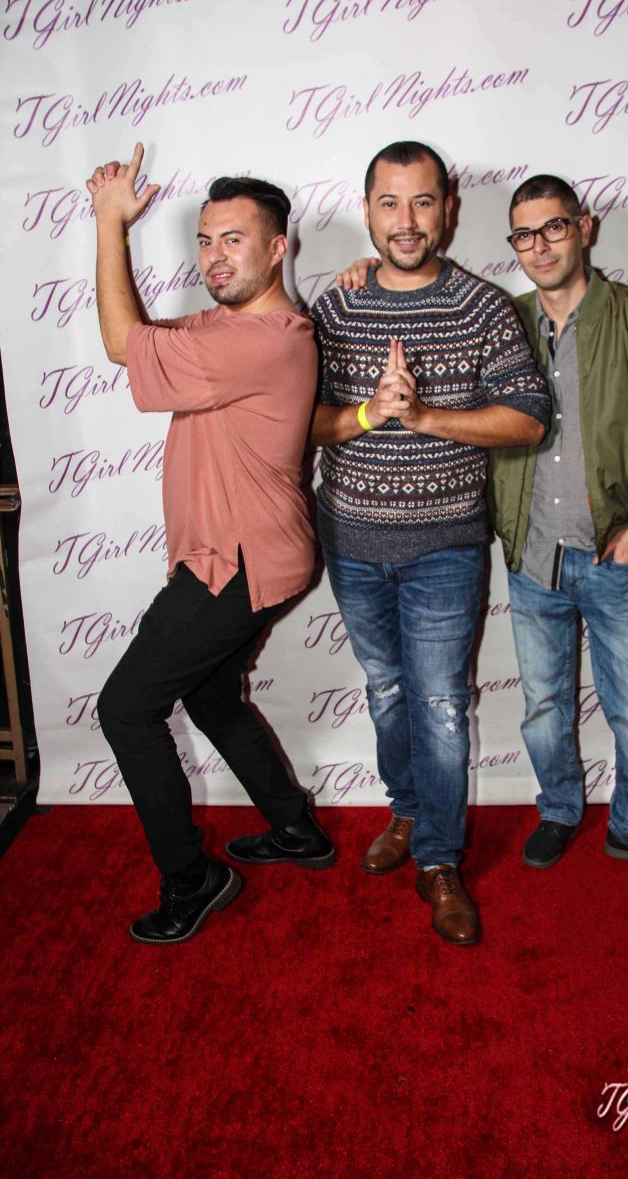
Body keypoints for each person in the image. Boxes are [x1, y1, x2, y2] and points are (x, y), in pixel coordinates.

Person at [87, 143, 334, 946]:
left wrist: (110, 224)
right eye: (204, 240)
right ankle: (296, 829)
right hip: (250, 553)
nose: (214, 256)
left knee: (126, 709)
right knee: (213, 697)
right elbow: (141, 335)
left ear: (277, 247)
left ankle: (193, 880)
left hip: (236, 562)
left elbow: (121, 345)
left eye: (234, 239)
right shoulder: (228, 325)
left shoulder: (264, 338)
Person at [310, 141, 550, 945]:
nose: (405, 220)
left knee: (441, 705)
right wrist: (370, 414)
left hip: (445, 546)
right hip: (351, 542)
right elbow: (301, 422)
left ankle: (440, 859)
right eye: (389, 202)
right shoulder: (337, 308)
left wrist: (423, 417)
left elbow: (528, 418)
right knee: (386, 690)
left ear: (448, 208)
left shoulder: (484, 307)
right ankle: (408, 811)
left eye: (422, 201)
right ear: (367, 210)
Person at [488, 174, 628, 872]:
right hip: (532, 561)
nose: (540, 246)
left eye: (554, 227)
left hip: (615, 558)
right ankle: (559, 809)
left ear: (584, 228)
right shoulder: (501, 325)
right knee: (543, 706)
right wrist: (367, 269)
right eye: (524, 234)